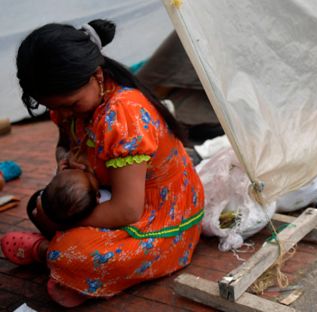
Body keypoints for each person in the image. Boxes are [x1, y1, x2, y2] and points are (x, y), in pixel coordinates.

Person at [0, 19, 204, 307]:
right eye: (53, 107)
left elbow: (127, 209)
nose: (62, 113)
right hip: (110, 196)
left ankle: (47, 251)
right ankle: (62, 255)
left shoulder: (124, 114)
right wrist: (65, 163)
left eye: (70, 104)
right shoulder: (70, 105)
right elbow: (64, 145)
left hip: (157, 218)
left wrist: (60, 219)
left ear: (96, 75)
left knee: (70, 250)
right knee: (38, 205)